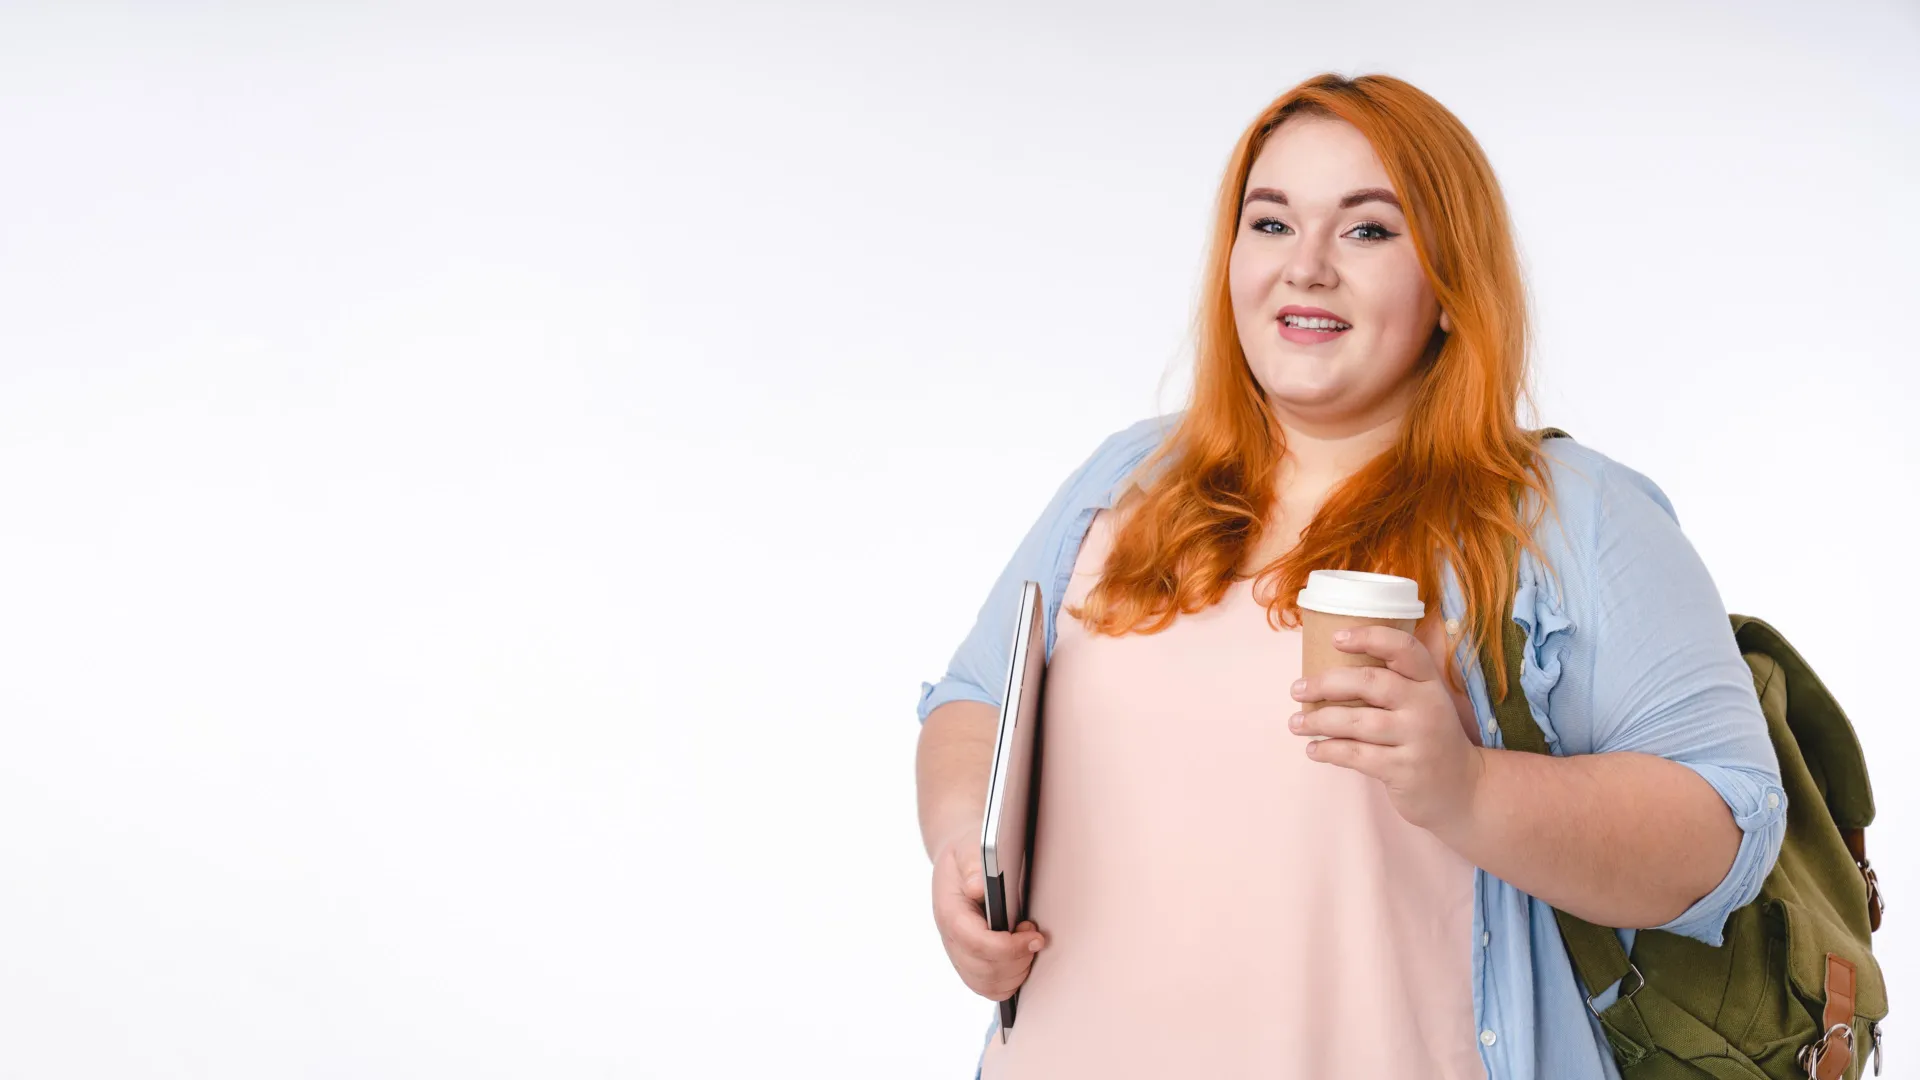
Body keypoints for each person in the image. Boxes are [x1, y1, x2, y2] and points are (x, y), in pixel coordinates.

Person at [912, 72, 1788, 1080]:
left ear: (1450, 281)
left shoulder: (1571, 517)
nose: (1307, 268)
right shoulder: (1127, 479)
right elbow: (976, 703)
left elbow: (1727, 831)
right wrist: (964, 851)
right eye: (1271, 223)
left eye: (1368, 230)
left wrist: (1470, 788)